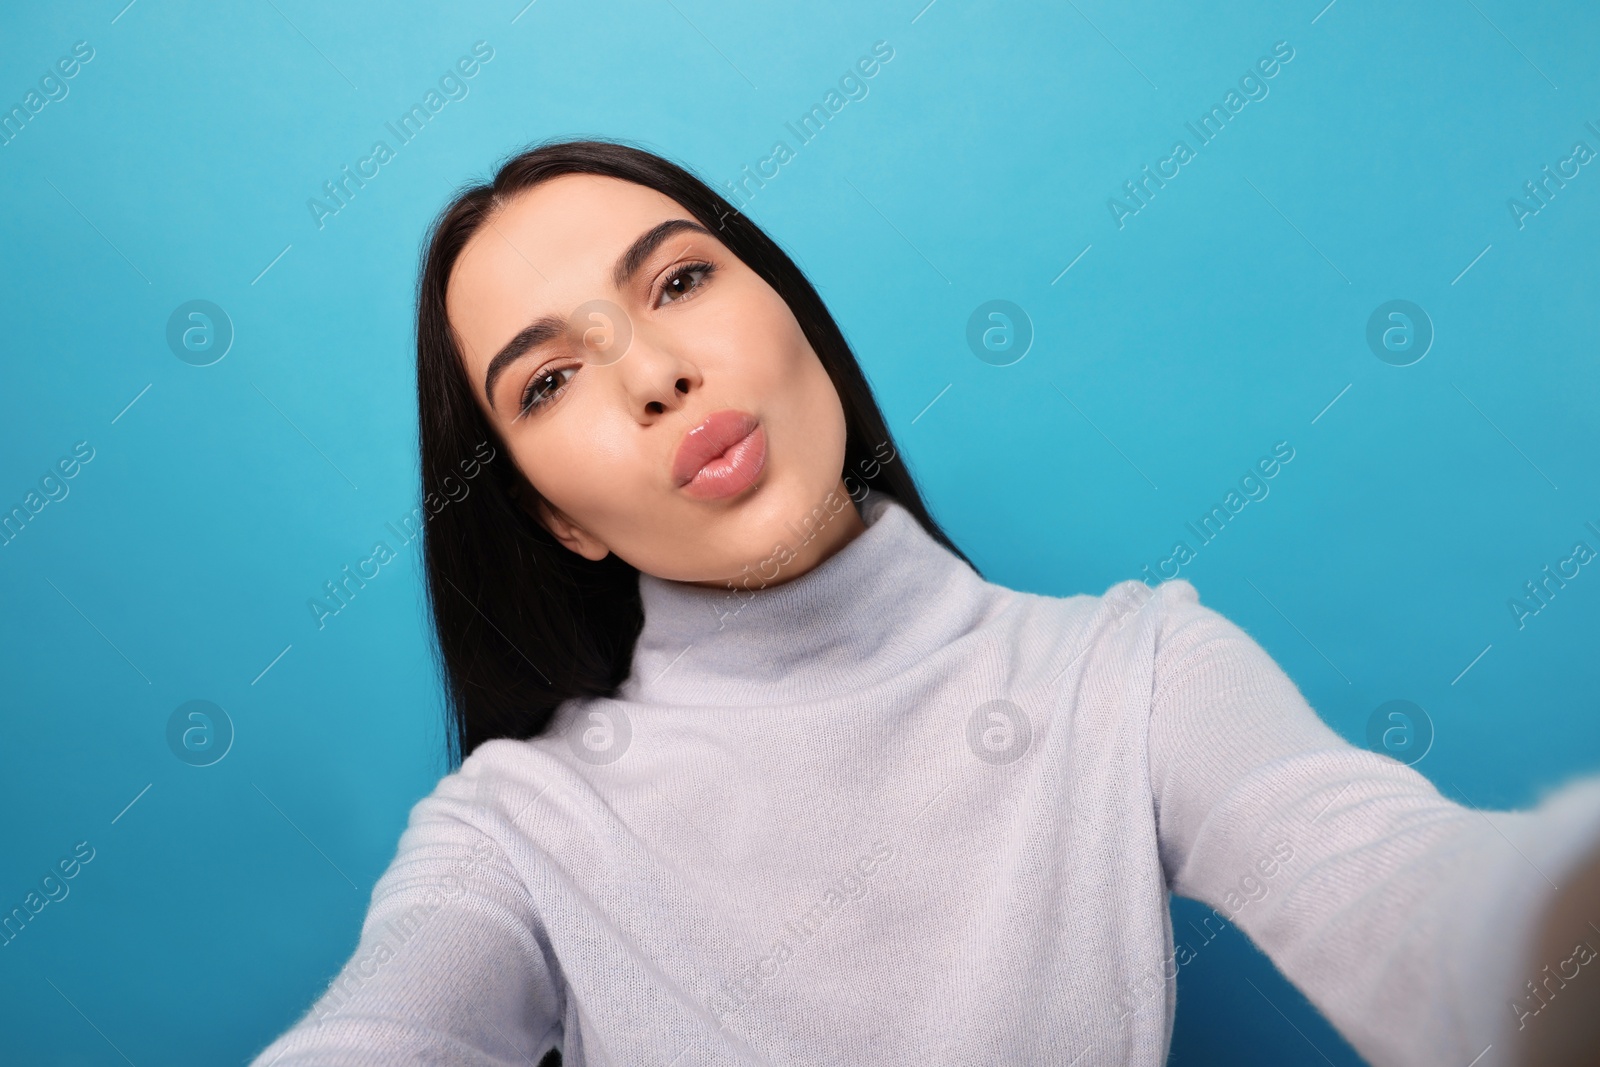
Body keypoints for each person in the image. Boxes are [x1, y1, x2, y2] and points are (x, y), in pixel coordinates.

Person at [248, 139, 1600, 1067]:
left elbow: (1408, 902)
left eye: (678, 281)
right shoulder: (517, 830)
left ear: (788, 308)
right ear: (551, 516)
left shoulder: (1132, 675)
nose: (655, 371)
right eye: (549, 382)